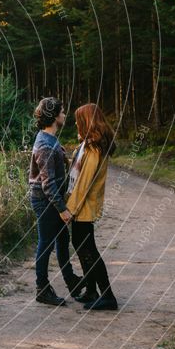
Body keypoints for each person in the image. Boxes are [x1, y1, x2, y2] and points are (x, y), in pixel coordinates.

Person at [28, 97, 86, 306]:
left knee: (62, 241)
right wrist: (62, 209)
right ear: (53, 116)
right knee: (46, 243)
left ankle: (71, 281)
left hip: (53, 199)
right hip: (45, 201)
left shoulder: (50, 138)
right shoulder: (45, 144)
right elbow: (47, 184)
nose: (64, 115)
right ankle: (42, 288)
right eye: (61, 112)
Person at [66, 103, 118, 311]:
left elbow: (84, 183)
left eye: (78, 120)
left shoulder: (94, 149)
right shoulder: (87, 146)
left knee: (89, 250)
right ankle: (91, 290)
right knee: (81, 246)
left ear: (87, 122)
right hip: (81, 207)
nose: (75, 124)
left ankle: (108, 296)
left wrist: (70, 210)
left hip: (83, 208)